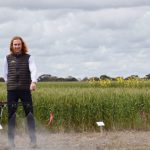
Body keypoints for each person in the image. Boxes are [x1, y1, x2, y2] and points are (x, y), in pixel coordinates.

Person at [3, 36, 37, 149]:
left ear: (22, 45)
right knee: (11, 116)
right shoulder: (7, 58)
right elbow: (5, 74)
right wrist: (9, 84)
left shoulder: (29, 57)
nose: (17, 46)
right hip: (12, 91)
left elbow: (33, 69)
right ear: (12, 46)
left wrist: (33, 82)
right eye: (15, 44)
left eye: (19, 44)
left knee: (30, 115)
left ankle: (33, 142)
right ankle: (10, 142)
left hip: (25, 90)